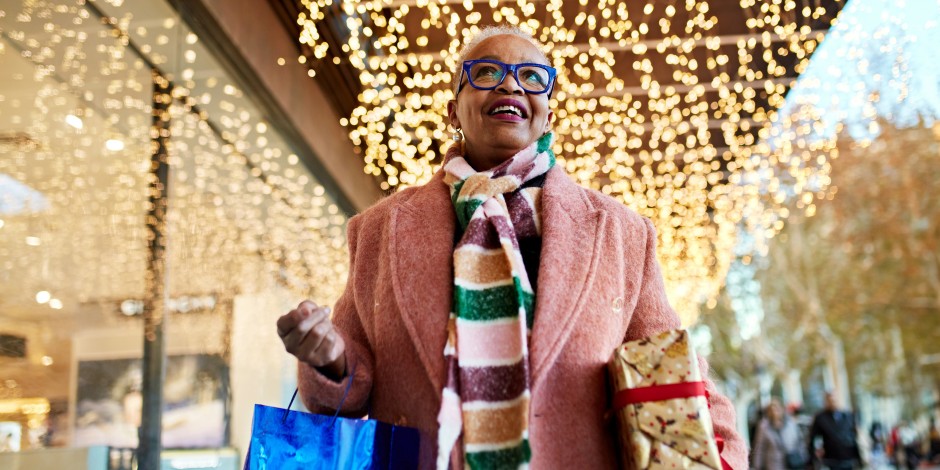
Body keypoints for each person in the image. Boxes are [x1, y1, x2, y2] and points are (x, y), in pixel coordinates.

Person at [276, 25, 747, 469]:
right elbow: (351, 385)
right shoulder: (379, 230)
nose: (511, 86)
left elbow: (673, 370)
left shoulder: (621, 233)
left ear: (547, 110)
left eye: (531, 77)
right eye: (486, 73)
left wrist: (725, 455)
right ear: (452, 109)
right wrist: (327, 356)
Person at [807, 392, 860, 470]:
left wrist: (858, 458)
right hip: (831, 461)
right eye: (830, 400)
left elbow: (854, 436)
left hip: (848, 459)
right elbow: (812, 439)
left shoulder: (847, 416)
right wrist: (813, 459)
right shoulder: (821, 418)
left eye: (835, 400)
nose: (833, 403)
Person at [751, 399, 807, 470]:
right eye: (772, 410)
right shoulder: (763, 427)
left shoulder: (790, 423)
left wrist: (803, 456)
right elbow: (759, 446)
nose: (774, 412)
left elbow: (799, 441)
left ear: (782, 409)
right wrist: (757, 465)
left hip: (793, 461)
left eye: (777, 409)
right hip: (774, 464)